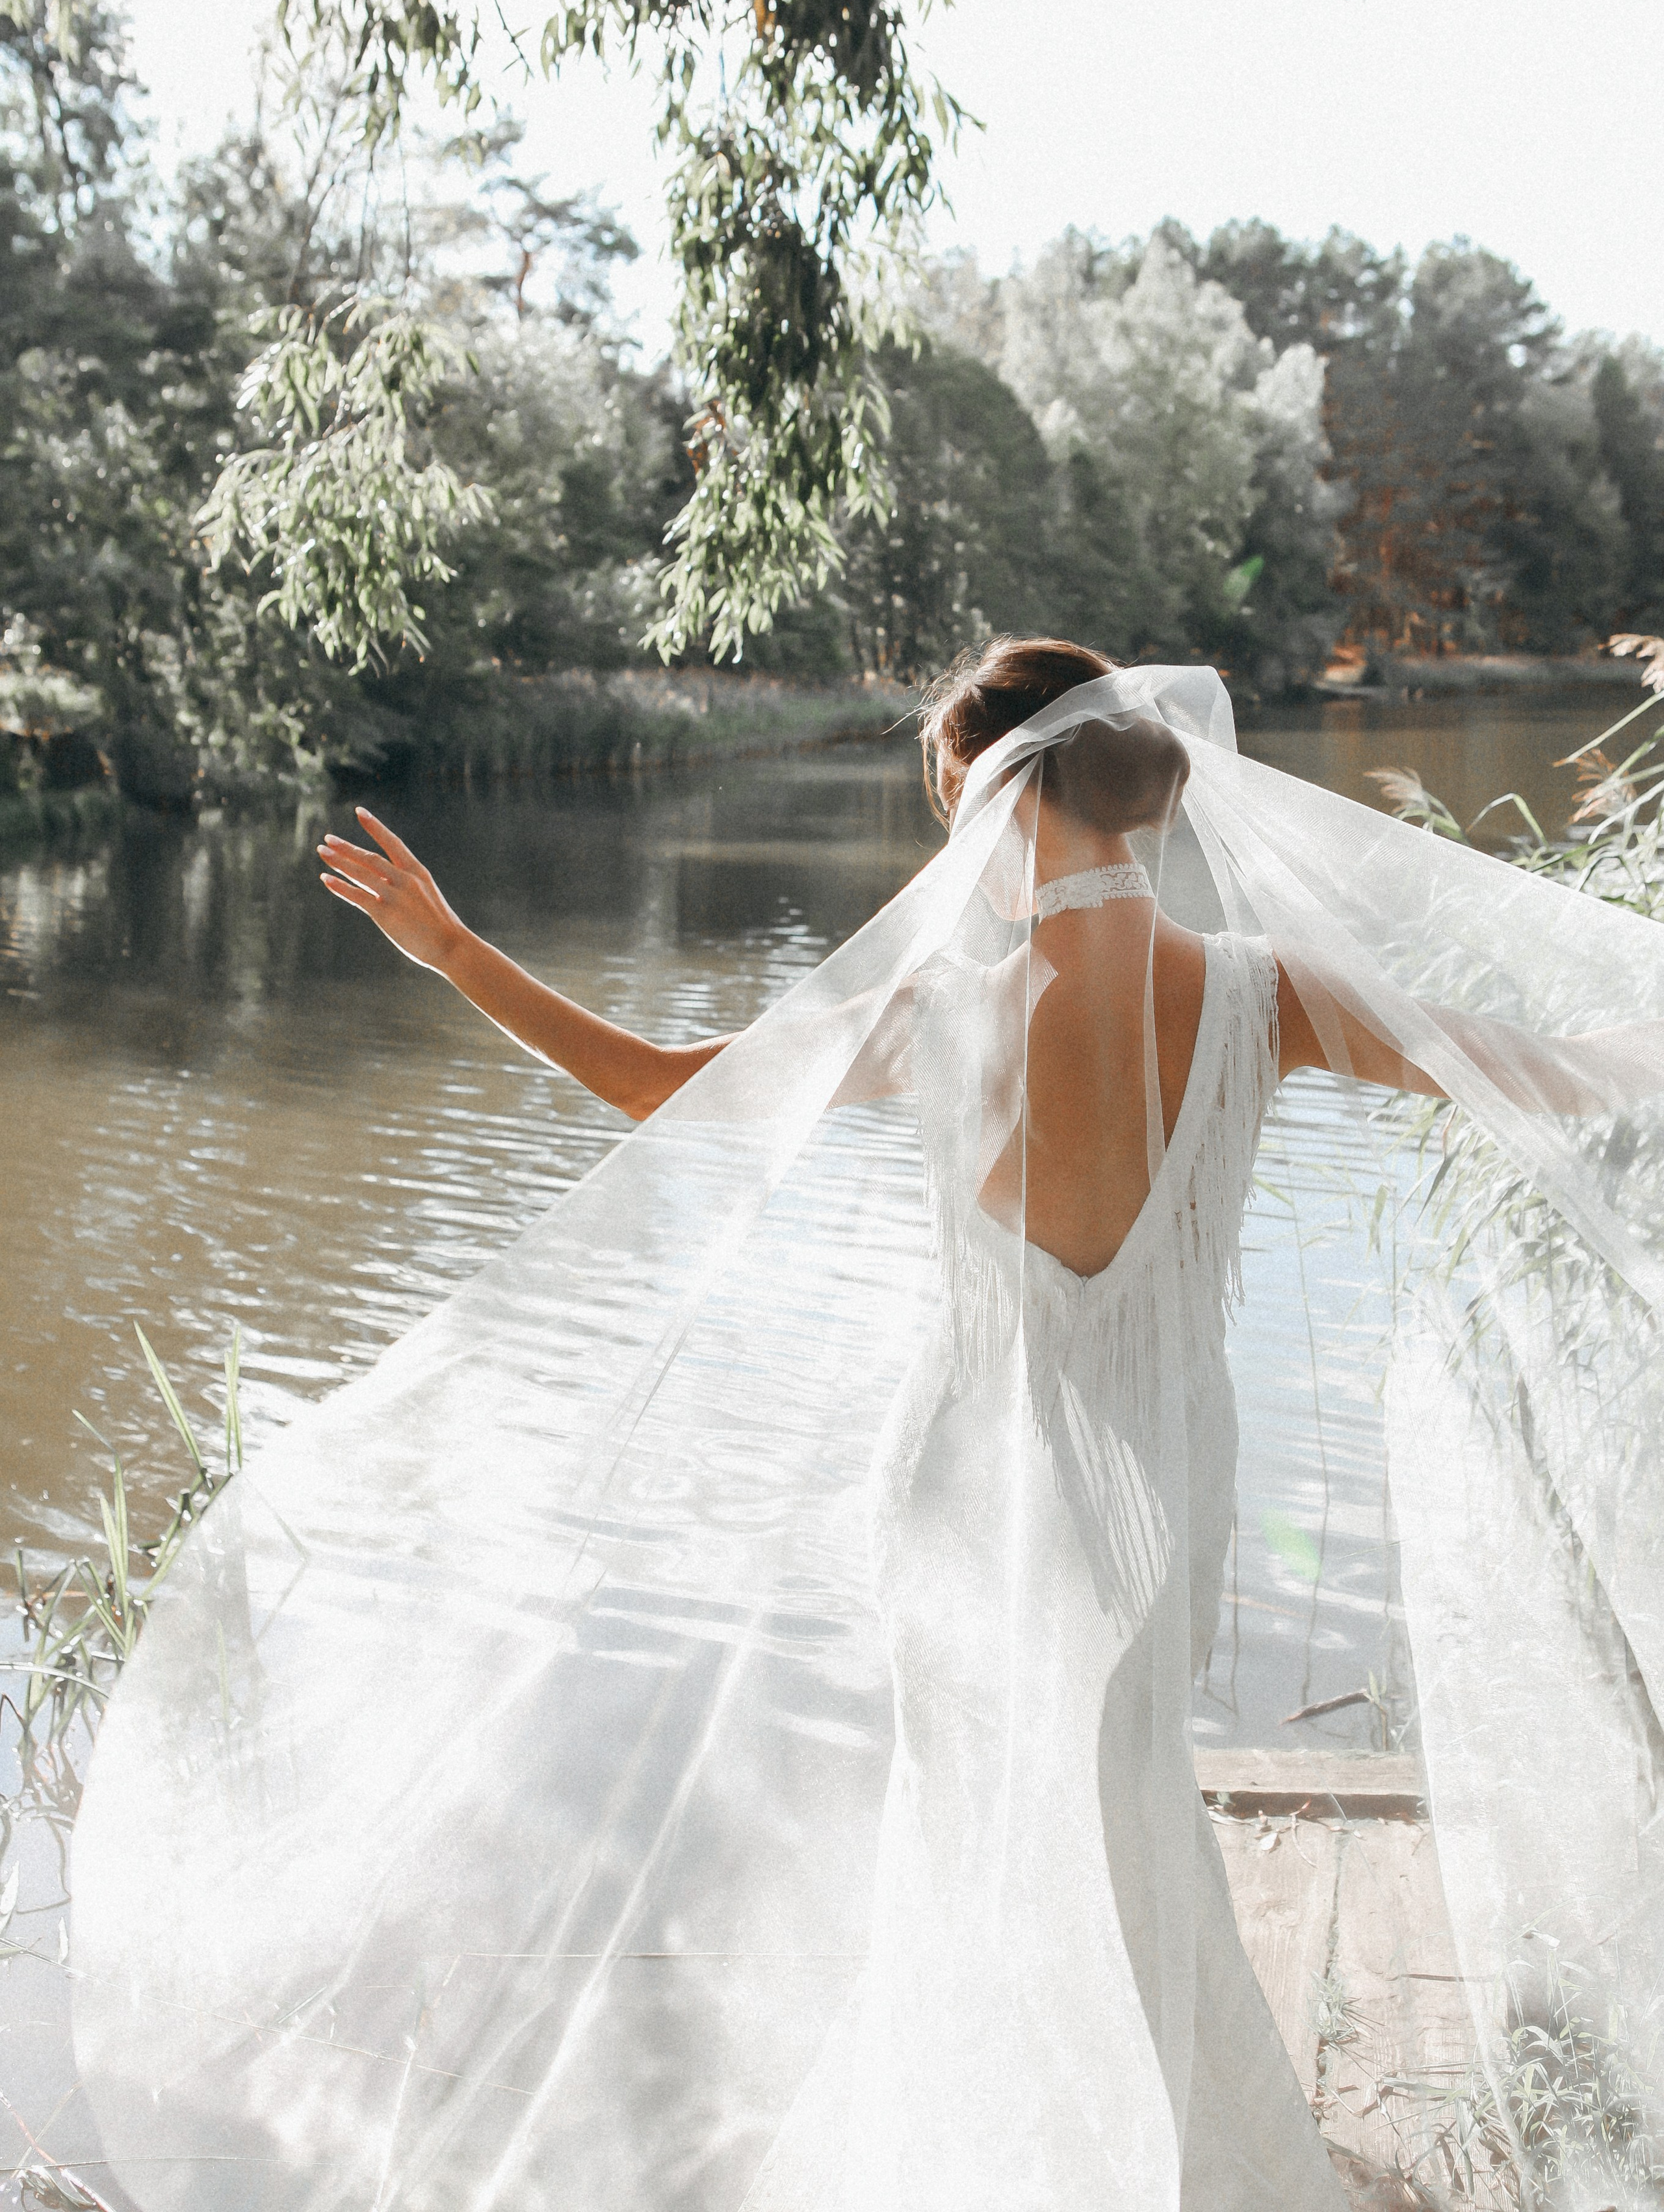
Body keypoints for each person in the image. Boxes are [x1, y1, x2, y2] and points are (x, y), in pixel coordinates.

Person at [70, 644, 1664, 2212]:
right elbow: (1554, 1075)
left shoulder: (940, 1012)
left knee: (974, 1832)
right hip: (1161, 1482)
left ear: (992, 804)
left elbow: (654, 1090)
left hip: (962, 1490)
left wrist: (456, 950)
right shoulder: (1267, 995)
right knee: (1123, 1818)